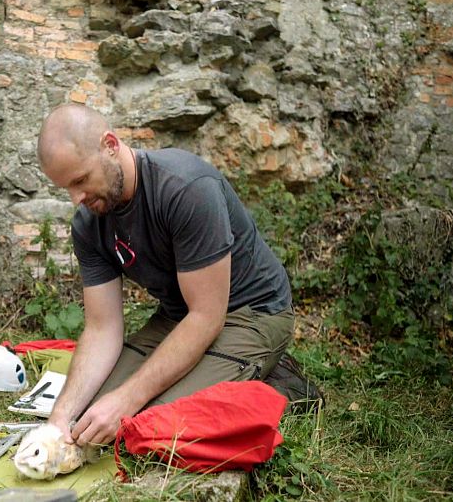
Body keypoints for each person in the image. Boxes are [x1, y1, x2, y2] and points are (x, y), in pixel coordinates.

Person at [37, 104, 317, 448]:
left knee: (143, 422)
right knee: (89, 419)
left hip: (250, 313)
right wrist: (58, 421)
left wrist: (126, 401)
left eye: (80, 180)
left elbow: (206, 317)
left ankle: (280, 383)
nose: (76, 198)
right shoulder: (88, 224)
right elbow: (101, 327)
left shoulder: (185, 187)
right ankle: (224, 372)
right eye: (66, 187)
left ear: (110, 144)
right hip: (179, 317)